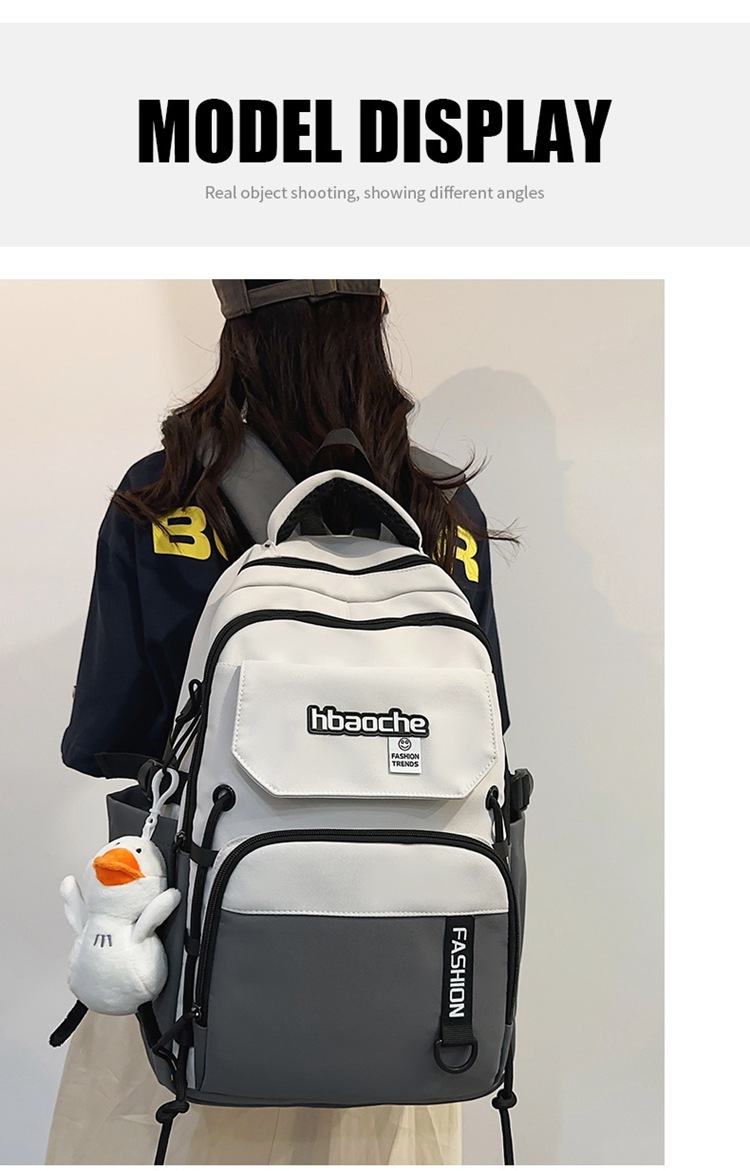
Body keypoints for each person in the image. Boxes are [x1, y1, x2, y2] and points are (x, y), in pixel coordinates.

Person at [46, 279, 512, 1166]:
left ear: (238, 330)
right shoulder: (445, 512)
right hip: (412, 997)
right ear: (374, 323)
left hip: (194, 979)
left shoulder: (162, 493)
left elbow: (114, 736)